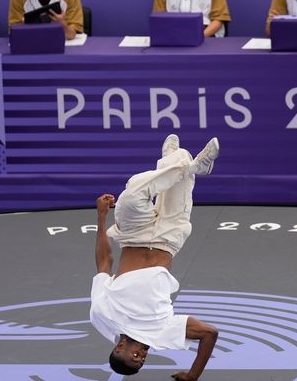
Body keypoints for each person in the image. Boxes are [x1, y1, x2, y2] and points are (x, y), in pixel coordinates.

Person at [90, 135, 220, 380]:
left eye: (135, 357)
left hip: (132, 235)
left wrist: (101, 217)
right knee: (182, 180)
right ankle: (179, 162)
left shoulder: (102, 316)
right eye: (142, 361)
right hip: (168, 239)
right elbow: (210, 333)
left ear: (119, 347)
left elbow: (104, 263)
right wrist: (193, 375)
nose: (142, 355)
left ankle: (177, 163)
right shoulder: (162, 334)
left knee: (132, 193)